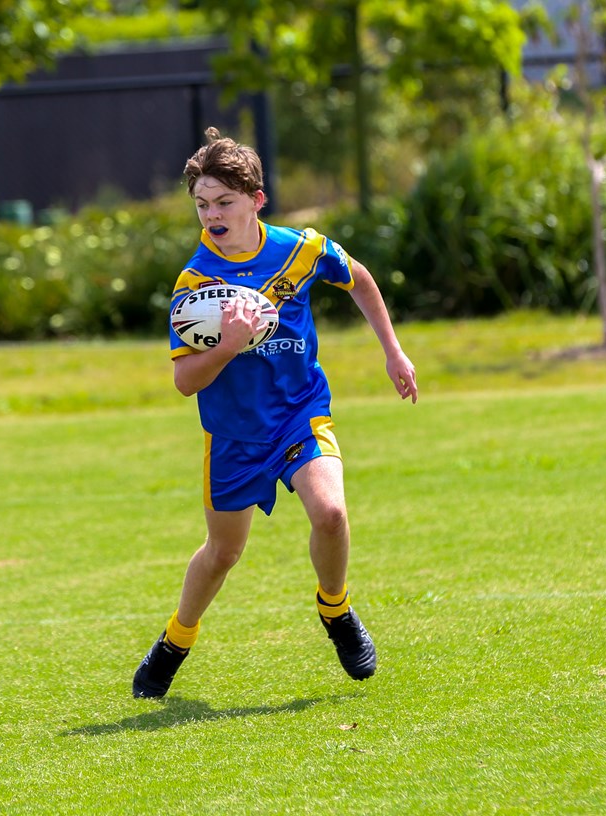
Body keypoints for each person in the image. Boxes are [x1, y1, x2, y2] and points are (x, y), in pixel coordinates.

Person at [132, 127, 418, 699]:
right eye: (202, 205)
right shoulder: (196, 283)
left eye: (224, 202)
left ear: (256, 200)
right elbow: (185, 382)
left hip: (299, 412)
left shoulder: (301, 250)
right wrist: (227, 346)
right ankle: (175, 640)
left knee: (330, 513)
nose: (212, 215)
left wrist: (393, 350)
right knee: (223, 553)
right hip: (234, 434)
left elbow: (359, 279)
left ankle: (335, 608)